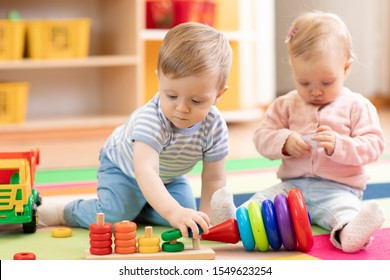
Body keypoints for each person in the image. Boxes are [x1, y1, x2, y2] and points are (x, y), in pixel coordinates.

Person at [211, 11, 385, 253]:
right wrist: (284, 141)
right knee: (261, 204)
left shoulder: (357, 105)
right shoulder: (285, 104)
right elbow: (262, 136)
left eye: (326, 83)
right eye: (304, 83)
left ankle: (350, 234)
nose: (315, 91)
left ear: (346, 69)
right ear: (293, 68)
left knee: (346, 211)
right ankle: (232, 221)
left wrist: (339, 144)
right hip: (290, 188)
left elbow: (374, 145)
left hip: (338, 189)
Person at [39, 22, 233, 238]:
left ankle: (141, 207)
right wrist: (174, 211)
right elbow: (146, 171)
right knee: (113, 215)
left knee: (187, 217)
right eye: (171, 96)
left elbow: (214, 180)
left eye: (196, 101)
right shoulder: (151, 120)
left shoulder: (214, 127)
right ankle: (65, 211)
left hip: (168, 178)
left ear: (218, 95)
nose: (182, 108)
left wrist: (206, 223)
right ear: (159, 78)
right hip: (124, 170)